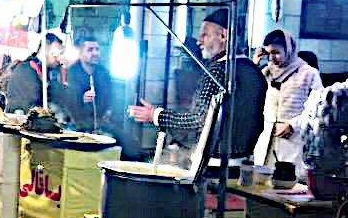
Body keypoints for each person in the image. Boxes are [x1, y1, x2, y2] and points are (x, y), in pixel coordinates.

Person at [129, 9, 267, 164]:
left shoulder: (218, 70)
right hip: (244, 162)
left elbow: (199, 120)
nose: (199, 41)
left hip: (214, 164)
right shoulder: (254, 70)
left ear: (223, 36)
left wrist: (156, 115)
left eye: (205, 35)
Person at [255, 30, 323, 173]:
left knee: (288, 184)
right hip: (267, 137)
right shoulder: (267, 72)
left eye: (276, 52)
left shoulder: (308, 73)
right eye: (269, 53)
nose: (272, 58)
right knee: (261, 182)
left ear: (289, 49)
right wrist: (254, 65)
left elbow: (318, 108)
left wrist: (293, 124)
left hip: (293, 138)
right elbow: (251, 95)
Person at [64, 31, 113, 132]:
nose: (95, 53)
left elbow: (111, 98)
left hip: (101, 126)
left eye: (97, 49)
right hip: (76, 127)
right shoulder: (71, 74)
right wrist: (81, 99)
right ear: (81, 53)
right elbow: (67, 102)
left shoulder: (104, 74)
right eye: (90, 50)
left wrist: (109, 111)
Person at [4, 33, 65, 113]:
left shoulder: (47, 70)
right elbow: (31, 104)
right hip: (22, 119)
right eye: (57, 53)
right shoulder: (26, 70)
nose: (59, 58)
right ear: (46, 50)